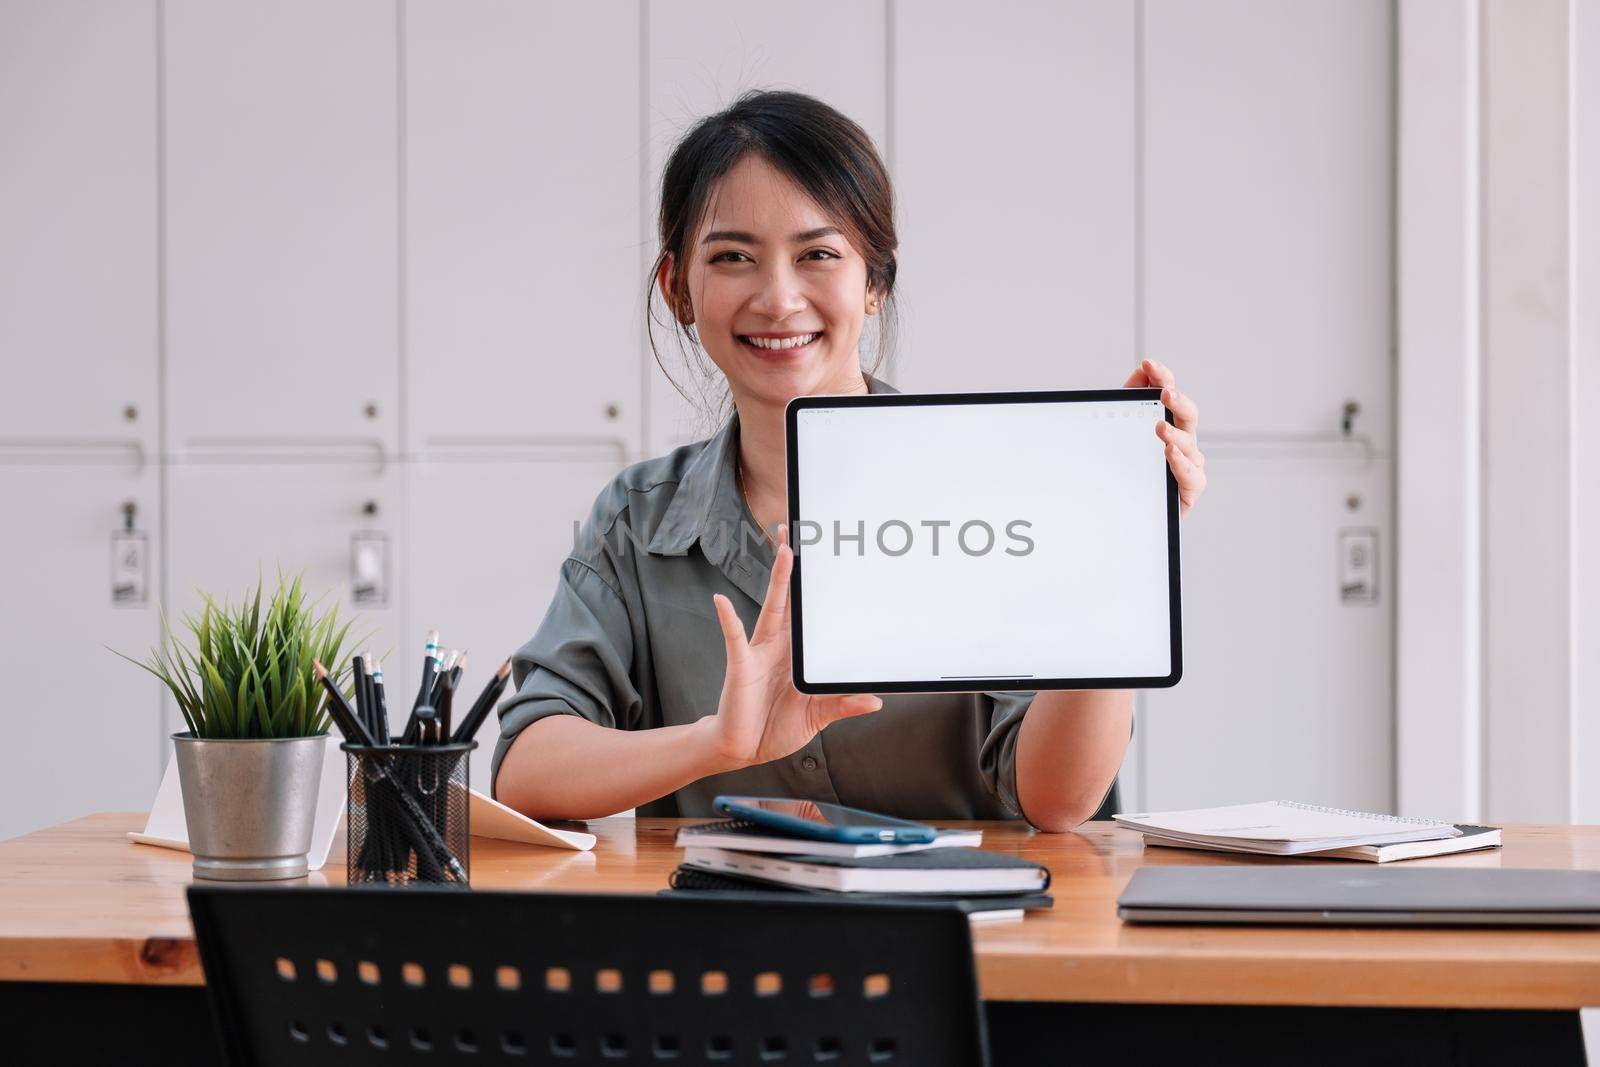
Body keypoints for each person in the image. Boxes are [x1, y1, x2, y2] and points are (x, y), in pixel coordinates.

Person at [492, 90, 1206, 832]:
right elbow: (525, 766)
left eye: (818, 255)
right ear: (679, 288)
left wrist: (1116, 553)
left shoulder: (995, 486)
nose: (777, 298)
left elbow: (1058, 798)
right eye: (733, 256)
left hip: (973, 939)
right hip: (742, 942)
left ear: (874, 283)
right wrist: (715, 743)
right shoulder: (638, 520)